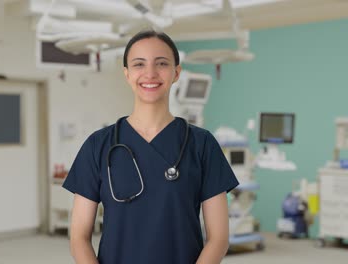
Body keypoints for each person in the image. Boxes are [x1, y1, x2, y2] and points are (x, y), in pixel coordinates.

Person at [63, 29, 239, 264]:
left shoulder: (202, 145)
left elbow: (218, 238)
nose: (150, 73)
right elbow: (79, 238)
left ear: (176, 72)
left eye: (162, 63)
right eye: (139, 64)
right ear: (126, 74)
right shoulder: (98, 145)